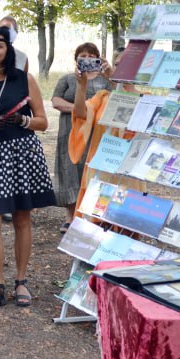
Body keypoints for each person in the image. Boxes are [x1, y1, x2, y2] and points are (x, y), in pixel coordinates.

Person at [0, 26, 55, 309]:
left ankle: (21, 281)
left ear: (8, 50)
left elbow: (42, 121)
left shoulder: (24, 80)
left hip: (22, 155)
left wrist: (22, 121)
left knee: (21, 219)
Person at [50, 42, 113, 230]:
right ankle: (70, 218)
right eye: (82, 56)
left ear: (98, 58)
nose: (86, 59)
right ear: (76, 58)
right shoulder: (68, 79)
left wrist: (112, 75)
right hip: (71, 130)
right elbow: (55, 101)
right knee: (69, 170)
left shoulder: (106, 79)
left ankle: (94, 216)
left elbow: (117, 99)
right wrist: (81, 110)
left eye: (90, 56)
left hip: (97, 133)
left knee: (94, 170)